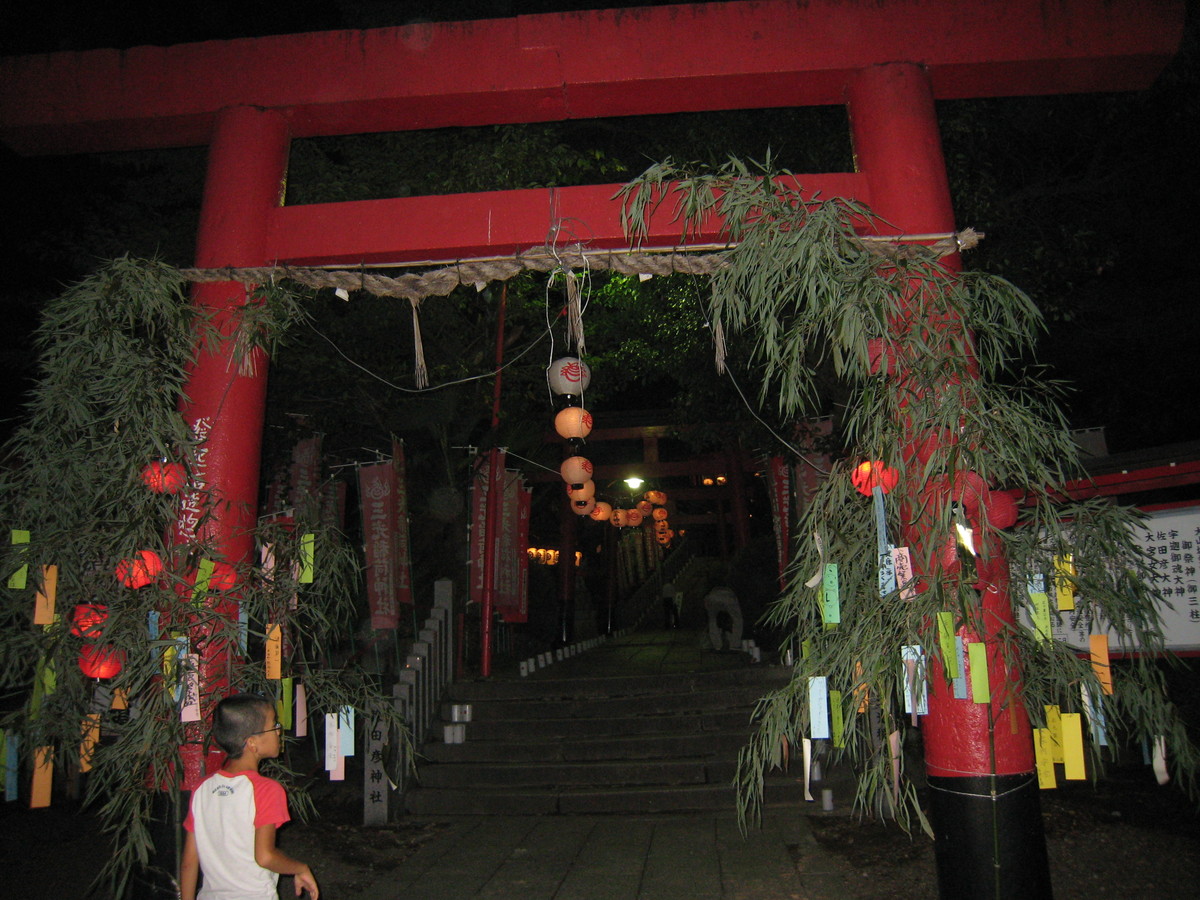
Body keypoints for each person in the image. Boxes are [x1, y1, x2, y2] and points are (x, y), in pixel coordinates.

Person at [180, 694, 319, 900]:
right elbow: (265, 857)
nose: (279, 731)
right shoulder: (266, 789)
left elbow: (189, 862)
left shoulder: (202, 788)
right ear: (252, 743)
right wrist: (299, 868)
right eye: (274, 725)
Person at [703, 585, 743, 651]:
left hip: (711, 597)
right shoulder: (731, 590)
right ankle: (735, 644)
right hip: (728, 597)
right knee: (737, 619)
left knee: (712, 620)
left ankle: (717, 645)